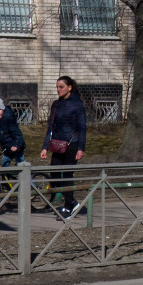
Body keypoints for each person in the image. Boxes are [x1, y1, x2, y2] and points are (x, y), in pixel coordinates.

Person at [39, 76, 87, 218]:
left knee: (67, 174)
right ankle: (71, 201)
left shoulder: (77, 105)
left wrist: (81, 148)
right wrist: (45, 146)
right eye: (57, 87)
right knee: (54, 175)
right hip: (57, 144)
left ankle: (67, 207)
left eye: (61, 87)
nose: (58, 90)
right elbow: (51, 127)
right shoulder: (56, 104)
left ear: (69, 87)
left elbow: (82, 128)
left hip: (72, 145)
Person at [0, 97, 25, 167]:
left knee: (21, 167)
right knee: (4, 166)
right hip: (7, 148)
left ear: (3, 109)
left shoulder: (9, 118)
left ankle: (28, 178)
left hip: (17, 148)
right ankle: (7, 177)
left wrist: (16, 145)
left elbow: (17, 134)